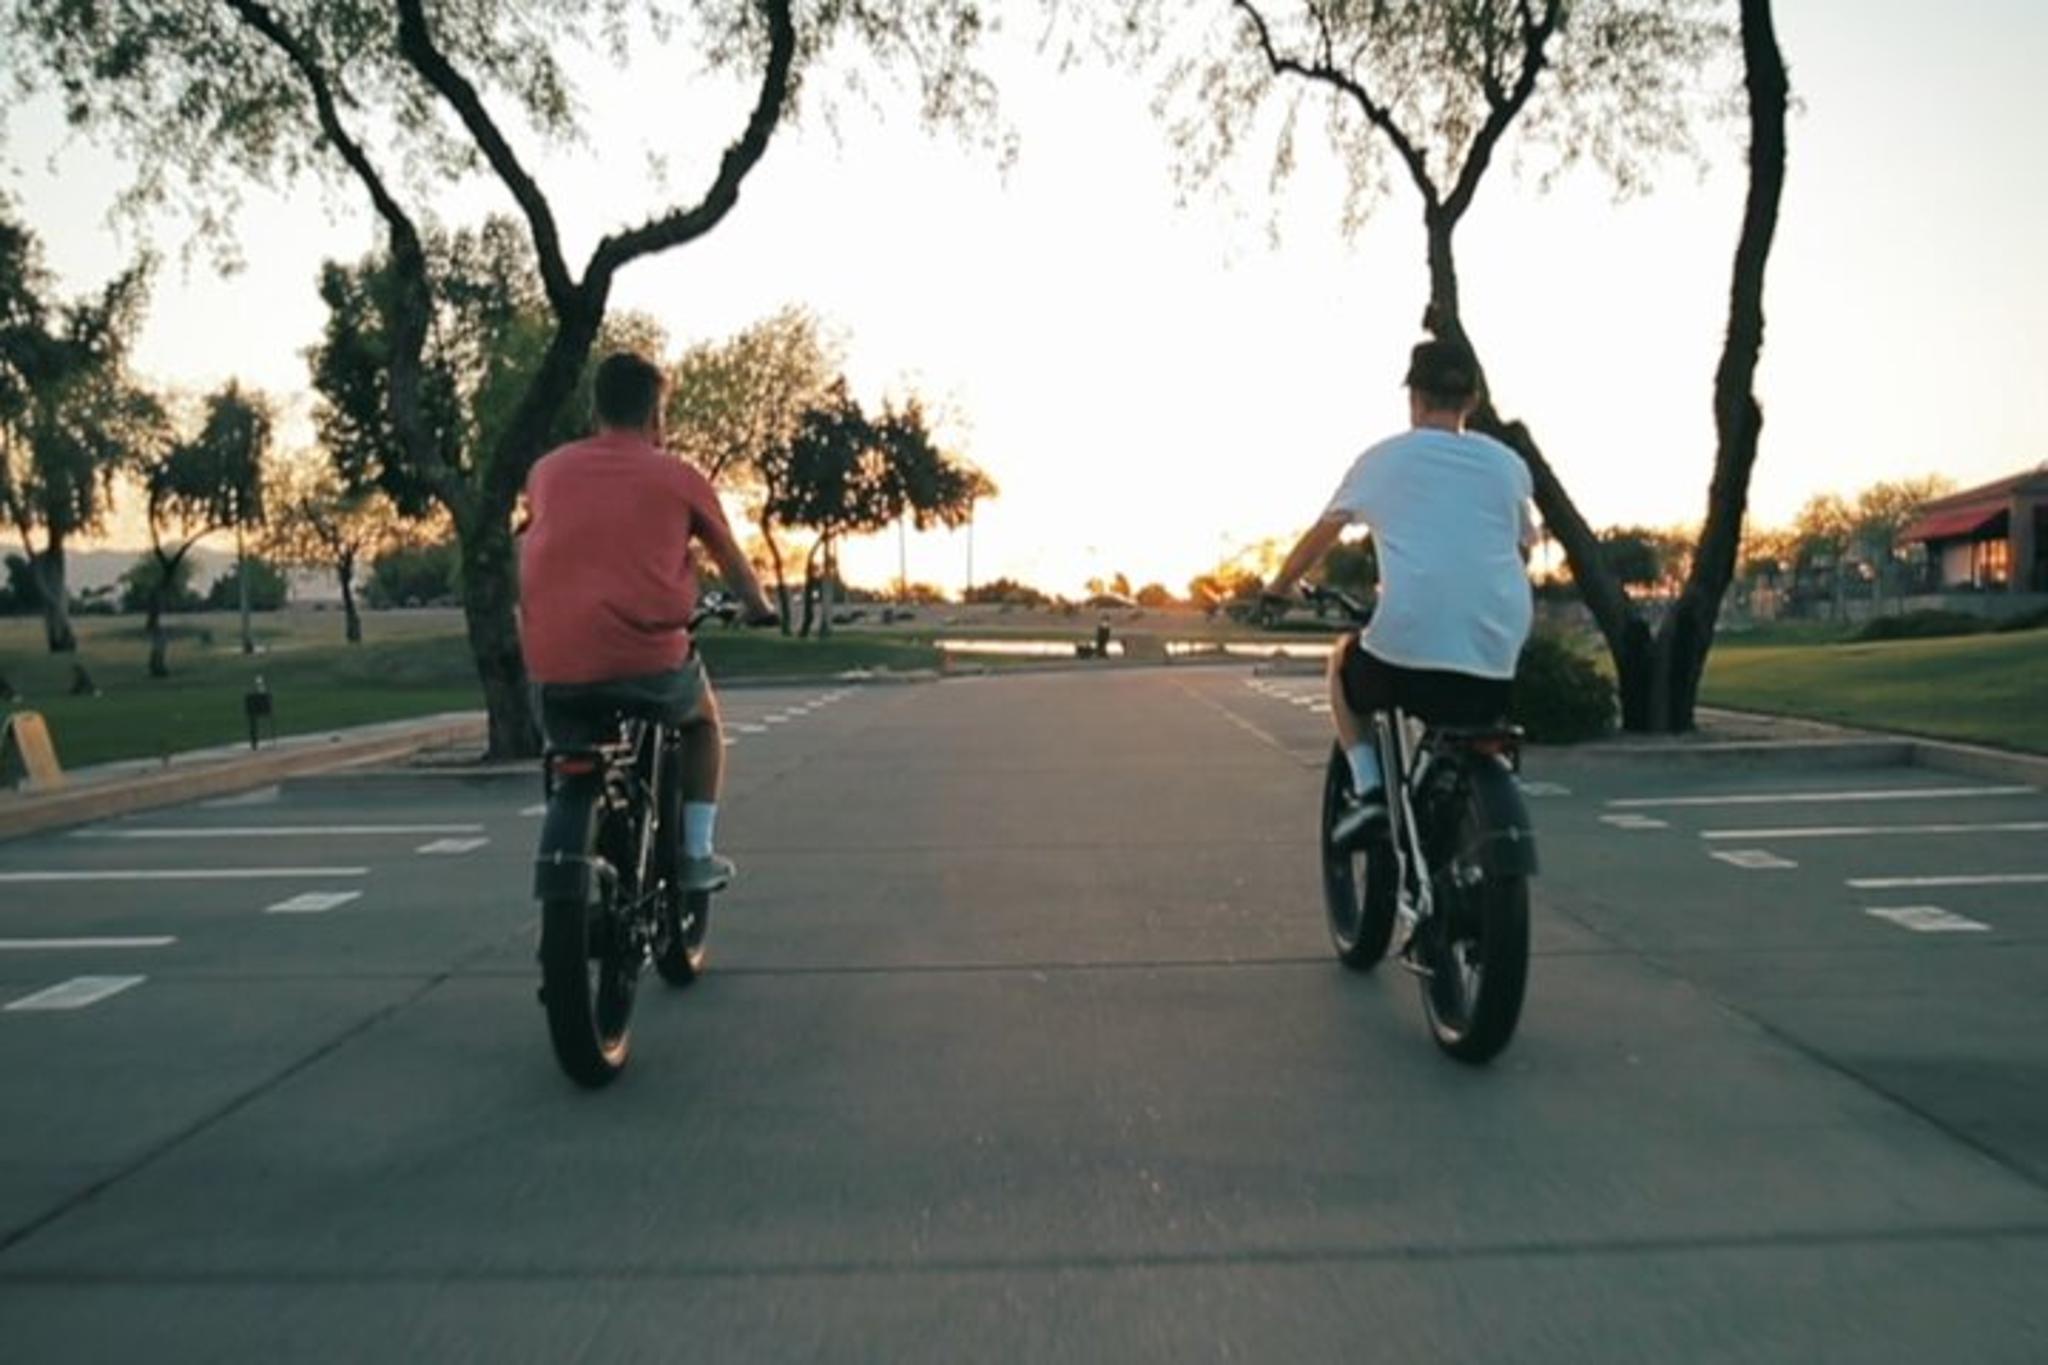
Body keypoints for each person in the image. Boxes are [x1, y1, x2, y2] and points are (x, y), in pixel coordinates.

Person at [517, 350, 778, 892]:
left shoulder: (546, 472)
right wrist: (758, 609)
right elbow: (733, 562)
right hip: (648, 659)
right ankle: (696, 855)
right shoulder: (678, 477)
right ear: (655, 416)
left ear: (596, 412)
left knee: (569, 751)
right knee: (703, 724)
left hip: (554, 664)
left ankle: (577, 845)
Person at [1261, 336, 1537, 845]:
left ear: (1414, 398)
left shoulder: (1381, 462)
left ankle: (1368, 792)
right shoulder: (1508, 466)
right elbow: (1521, 551)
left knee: (1345, 662)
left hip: (1409, 653)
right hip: (1496, 655)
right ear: (1472, 401)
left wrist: (1276, 590)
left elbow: (1318, 538)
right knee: (1469, 713)